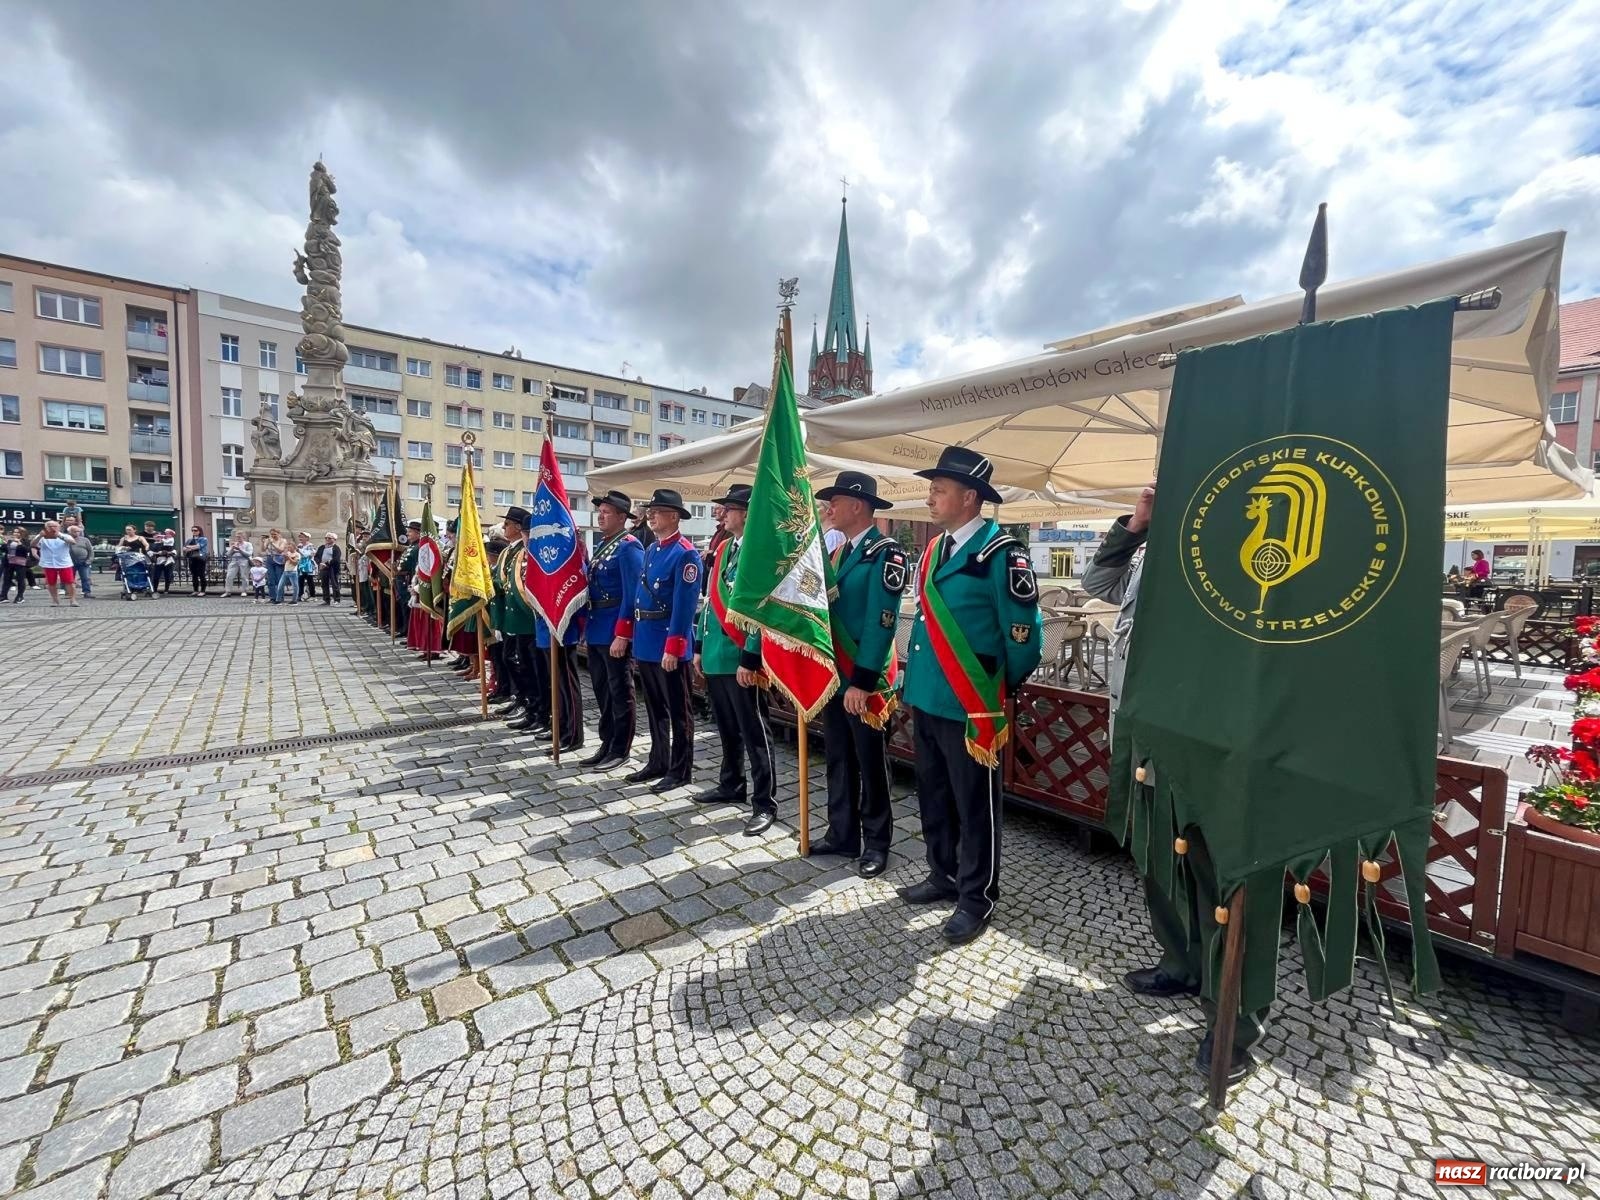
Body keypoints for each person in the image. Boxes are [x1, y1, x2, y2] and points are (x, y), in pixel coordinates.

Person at [1082, 483, 1265, 1084]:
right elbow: (1095, 587)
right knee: (1161, 862)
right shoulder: (1150, 550)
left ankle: (1235, 1021)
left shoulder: (1233, 549)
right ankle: (1182, 964)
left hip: (1205, 748)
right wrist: (1134, 527)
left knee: (1220, 882)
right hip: (1144, 738)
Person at [898, 447, 1042, 946]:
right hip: (927, 695)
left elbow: (1023, 636)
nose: (930, 497)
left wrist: (995, 689)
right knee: (934, 794)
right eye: (932, 488)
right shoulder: (937, 549)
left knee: (975, 804)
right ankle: (943, 874)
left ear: (970, 497)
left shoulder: (1004, 554)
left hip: (969, 702)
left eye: (939, 489)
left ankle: (977, 896)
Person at [813, 471, 904, 877]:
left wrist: (863, 682)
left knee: (870, 763)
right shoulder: (838, 554)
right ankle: (842, 833)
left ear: (857, 506)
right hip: (836, 676)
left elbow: (882, 623)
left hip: (864, 679)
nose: (828, 507)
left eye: (834, 500)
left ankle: (877, 842)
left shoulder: (887, 553)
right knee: (838, 757)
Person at [691, 486, 776, 834]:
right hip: (715, 653)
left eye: (729, 509)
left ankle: (765, 802)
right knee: (726, 727)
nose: (722, 514)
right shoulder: (724, 548)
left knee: (755, 732)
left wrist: (750, 657)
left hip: (741, 656)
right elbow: (711, 602)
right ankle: (731, 783)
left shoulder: (761, 552)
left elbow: (762, 608)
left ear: (747, 513)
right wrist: (698, 645)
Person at [621, 488, 701, 791]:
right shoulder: (653, 550)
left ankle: (681, 770)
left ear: (674, 516)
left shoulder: (686, 554)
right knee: (654, 707)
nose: (650, 515)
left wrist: (675, 646)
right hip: (646, 640)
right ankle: (658, 761)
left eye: (656, 511)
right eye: (650, 511)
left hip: (668, 642)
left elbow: (683, 606)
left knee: (679, 712)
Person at [580, 491, 645, 770]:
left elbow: (633, 594)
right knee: (602, 690)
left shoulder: (629, 547)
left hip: (614, 629)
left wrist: (623, 633)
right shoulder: (605, 544)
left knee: (620, 691)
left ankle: (621, 748)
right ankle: (606, 743)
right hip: (597, 626)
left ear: (622, 517)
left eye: (607, 511)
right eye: (600, 511)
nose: (601, 515)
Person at [493, 508, 547, 731]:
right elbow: (502, 583)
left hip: (526, 620)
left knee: (530, 667)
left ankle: (535, 708)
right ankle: (526, 703)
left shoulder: (525, 554)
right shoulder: (509, 552)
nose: (504, 528)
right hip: (512, 618)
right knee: (514, 661)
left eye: (507, 524)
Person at [32, 520, 80, 607]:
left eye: (55, 526)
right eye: (50, 526)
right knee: (51, 583)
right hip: (48, 563)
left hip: (64, 563)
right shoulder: (41, 537)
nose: (52, 528)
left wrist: (59, 535)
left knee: (69, 582)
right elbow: (32, 544)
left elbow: (73, 542)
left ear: (59, 527)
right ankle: (55, 600)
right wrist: (39, 536)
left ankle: (73, 600)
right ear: (46, 528)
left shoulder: (65, 535)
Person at [3, 527, 33, 603]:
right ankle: (3, 596)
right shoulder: (10, 541)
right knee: (7, 579)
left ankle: (20, 596)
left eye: (18, 532)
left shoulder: (26, 541)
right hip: (9, 562)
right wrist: (5, 544)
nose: (15, 534)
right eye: (14, 532)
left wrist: (20, 544)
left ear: (22, 534)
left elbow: (27, 551)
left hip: (20, 563)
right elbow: (5, 550)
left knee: (20, 579)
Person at [263, 529, 292, 604]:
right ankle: (272, 597)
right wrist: (264, 542)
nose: (273, 536)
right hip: (269, 559)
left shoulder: (283, 541)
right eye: (271, 534)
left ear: (279, 534)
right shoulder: (268, 540)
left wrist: (272, 543)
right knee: (270, 579)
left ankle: (280, 597)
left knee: (279, 579)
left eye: (274, 534)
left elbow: (280, 550)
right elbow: (263, 549)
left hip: (278, 559)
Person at [67, 525, 93, 599]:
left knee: (85, 577)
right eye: (75, 531)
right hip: (70, 562)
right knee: (69, 578)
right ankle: (69, 592)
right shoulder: (66, 539)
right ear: (70, 532)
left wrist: (89, 560)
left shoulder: (85, 540)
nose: (77, 533)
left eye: (78, 531)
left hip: (83, 561)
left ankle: (87, 592)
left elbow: (90, 551)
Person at [223, 532, 253, 597]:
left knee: (244, 576)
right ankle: (228, 591)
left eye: (239, 537)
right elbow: (228, 554)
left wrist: (240, 550)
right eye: (237, 537)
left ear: (243, 537)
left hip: (244, 561)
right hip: (234, 561)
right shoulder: (234, 544)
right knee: (229, 576)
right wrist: (232, 549)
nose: (238, 538)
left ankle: (244, 591)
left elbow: (249, 554)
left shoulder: (248, 544)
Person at [316, 533, 343, 604]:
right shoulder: (322, 547)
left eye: (329, 538)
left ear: (334, 540)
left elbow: (336, 559)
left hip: (332, 568)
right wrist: (319, 563)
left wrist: (327, 563)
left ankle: (337, 599)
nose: (327, 539)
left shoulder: (336, 548)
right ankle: (326, 599)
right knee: (324, 584)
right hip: (323, 567)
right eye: (326, 538)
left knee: (334, 584)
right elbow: (317, 556)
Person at [183, 526, 209, 595]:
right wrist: (191, 548)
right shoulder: (190, 540)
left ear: (199, 531)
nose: (194, 532)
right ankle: (195, 590)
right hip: (192, 558)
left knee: (201, 574)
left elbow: (198, 546)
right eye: (192, 530)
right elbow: (184, 548)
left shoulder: (203, 539)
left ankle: (203, 591)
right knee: (194, 575)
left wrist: (190, 547)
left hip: (200, 558)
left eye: (195, 530)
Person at [295, 532, 317, 602]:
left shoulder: (311, 546)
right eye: (300, 537)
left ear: (307, 538)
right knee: (300, 581)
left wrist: (299, 551)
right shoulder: (299, 545)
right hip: (301, 565)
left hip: (308, 565)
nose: (300, 538)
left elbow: (308, 554)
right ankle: (300, 595)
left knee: (310, 581)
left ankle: (312, 595)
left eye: (302, 537)